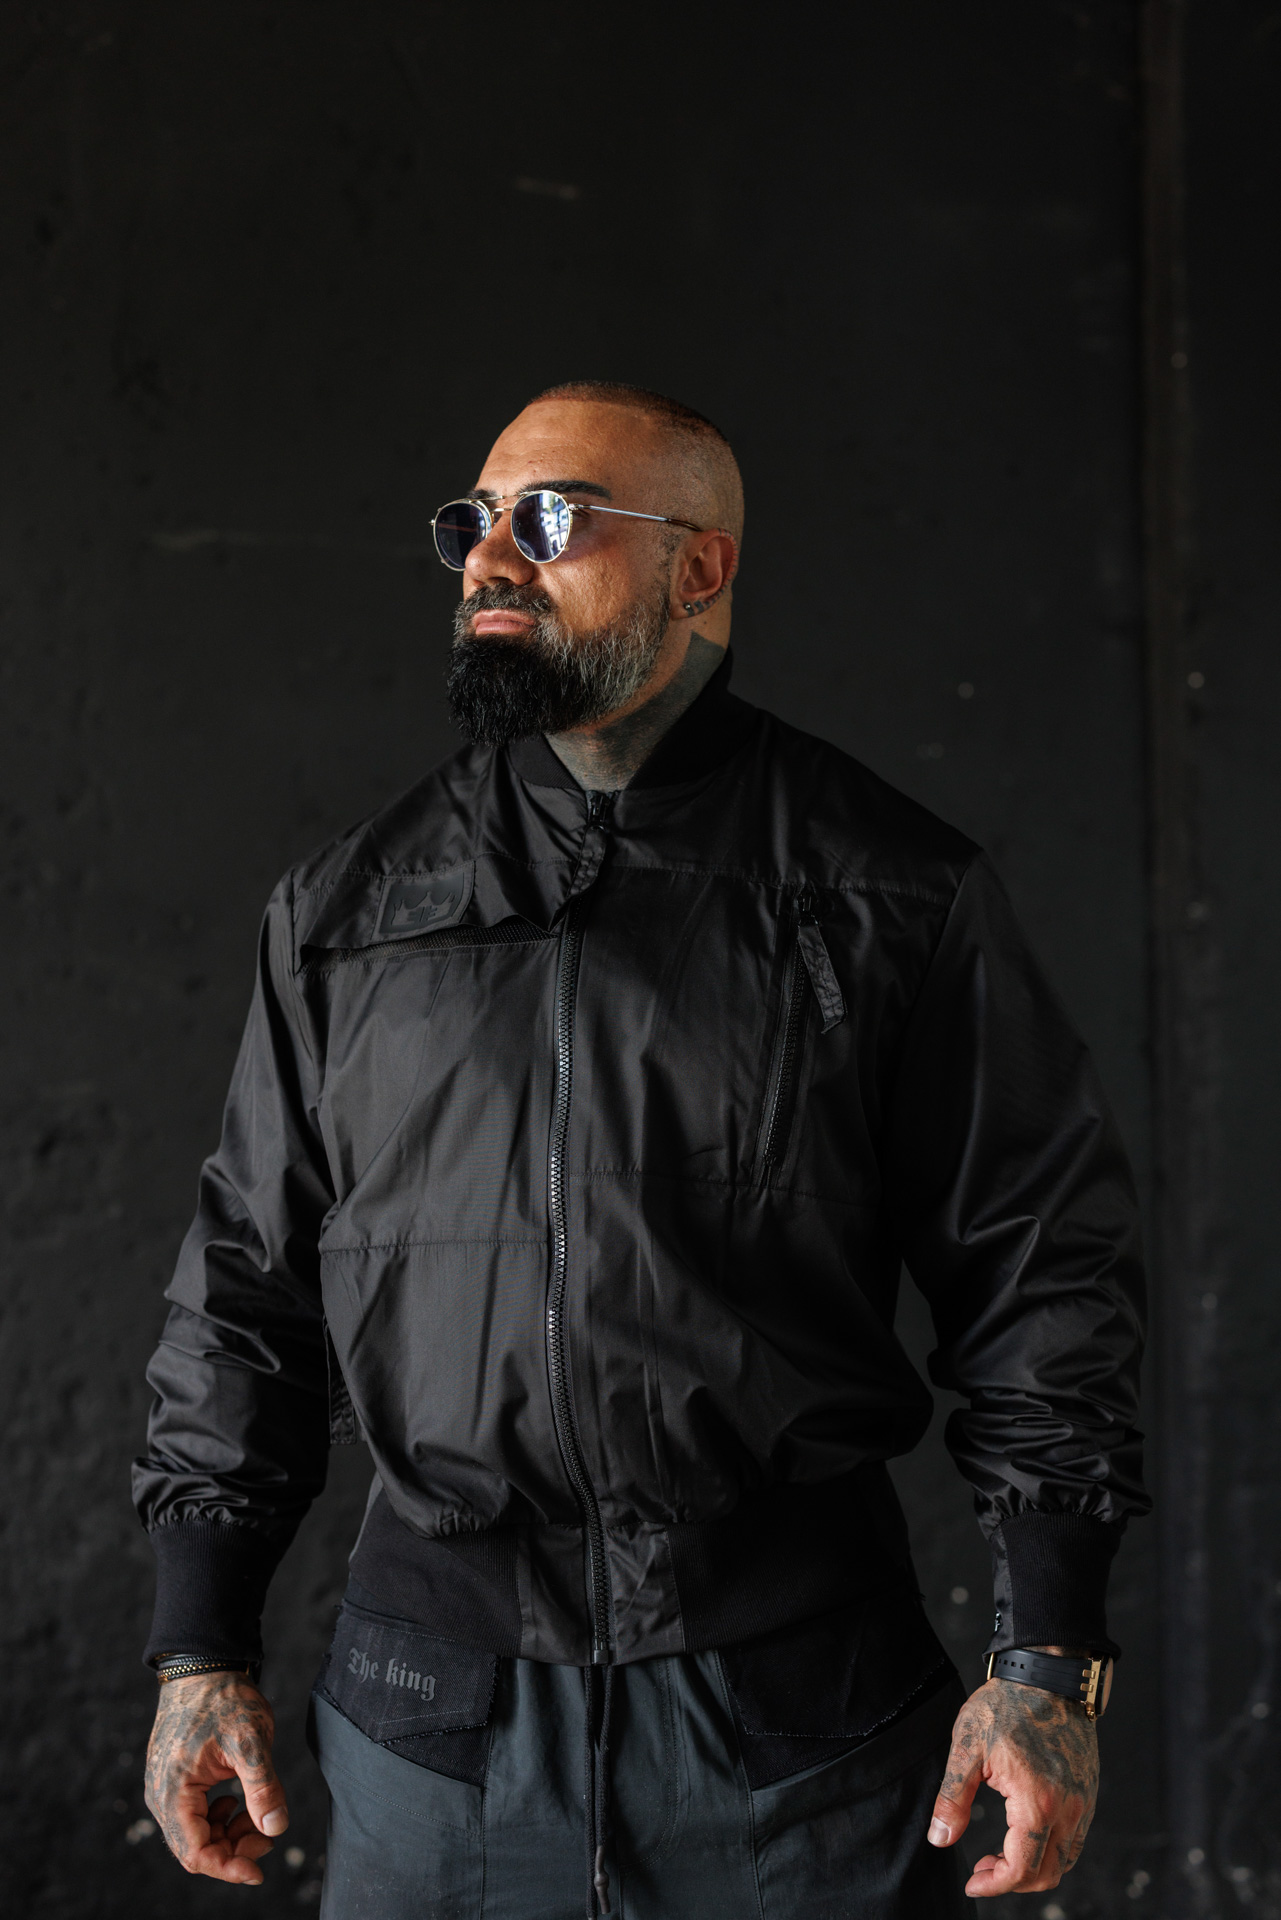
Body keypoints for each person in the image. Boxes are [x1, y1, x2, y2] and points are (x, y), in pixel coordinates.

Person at [135, 382, 1148, 1919]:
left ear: (698, 568)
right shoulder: (348, 914)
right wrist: (197, 1647)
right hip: (431, 1735)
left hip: (795, 1736)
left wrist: (1048, 1661)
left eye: (549, 520)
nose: (490, 558)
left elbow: (1042, 1275)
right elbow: (243, 1290)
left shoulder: (885, 893)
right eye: (473, 523)